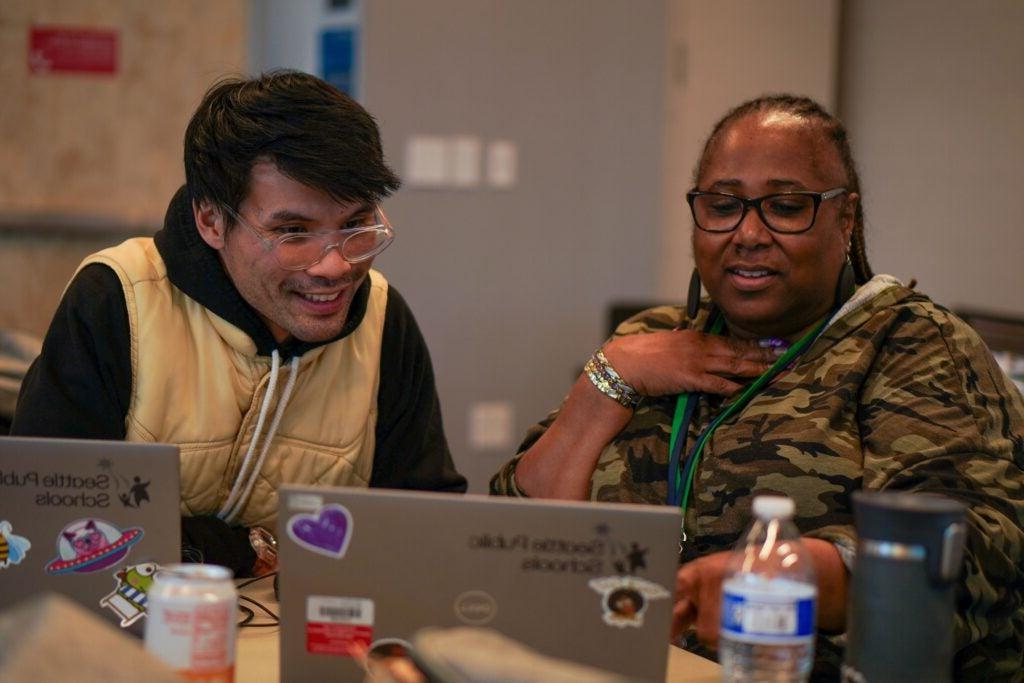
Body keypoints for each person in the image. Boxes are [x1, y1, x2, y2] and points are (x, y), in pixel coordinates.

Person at [491, 95, 1024, 679]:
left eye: (786, 207)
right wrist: (605, 384)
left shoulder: (910, 343)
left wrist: (787, 573)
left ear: (845, 219)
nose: (747, 233)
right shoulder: (646, 341)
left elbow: (967, 553)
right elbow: (519, 545)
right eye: (723, 205)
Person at [13, 70, 466, 576]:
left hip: (303, 636)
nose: (335, 266)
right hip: (127, 630)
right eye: (293, 231)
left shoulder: (384, 322)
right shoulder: (118, 297)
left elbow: (425, 526)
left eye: (356, 225)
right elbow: (47, 522)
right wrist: (240, 549)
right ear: (211, 220)